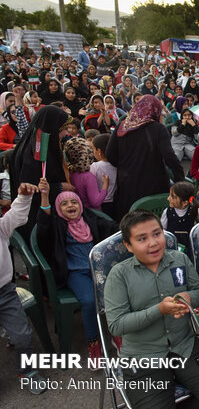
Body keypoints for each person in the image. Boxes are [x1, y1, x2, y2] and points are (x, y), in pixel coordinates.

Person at [104, 210, 199, 408]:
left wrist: (190, 298)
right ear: (128, 246)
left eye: (157, 233)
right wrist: (159, 310)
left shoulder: (179, 260)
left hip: (185, 345)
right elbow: (116, 325)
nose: (153, 243)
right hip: (143, 356)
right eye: (142, 238)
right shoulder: (119, 275)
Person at [37, 178, 117, 359]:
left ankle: (117, 334)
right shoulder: (58, 225)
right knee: (88, 301)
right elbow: (44, 224)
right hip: (75, 273)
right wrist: (45, 196)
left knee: (116, 294)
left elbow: (110, 227)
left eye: (74, 202)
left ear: (81, 205)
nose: (70, 206)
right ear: (58, 209)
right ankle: (93, 342)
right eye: (64, 204)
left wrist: (130, 227)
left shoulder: (89, 218)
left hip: (97, 270)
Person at [0, 182, 48, 394]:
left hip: (6, 292)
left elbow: (16, 216)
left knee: (23, 335)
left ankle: (27, 370)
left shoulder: (1, 226)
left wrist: (24, 197)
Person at [106, 95, 184, 218]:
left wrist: (126, 166)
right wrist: (180, 180)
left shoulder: (122, 126)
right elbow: (170, 157)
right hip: (154, 185)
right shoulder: (158, 129)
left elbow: (110, 155)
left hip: (127, 185)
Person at [9, 106, 74, 238]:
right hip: (35, 220)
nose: (66, 133)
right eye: (63, 129)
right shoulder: (32, 153)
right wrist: (59, 187)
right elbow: (30, 188)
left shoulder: (42, 146)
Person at [161, 181, 199, 259]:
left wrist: (198, 232)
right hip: (172, 247)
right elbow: (162, 230)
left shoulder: (193, 210)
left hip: (190, 247)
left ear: (185, 202)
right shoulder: (167, 212)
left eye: (172, 196)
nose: (168, 198)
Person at [64, 137, 109, 211]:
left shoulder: (68, 172)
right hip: (90, 213)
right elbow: (96, 202)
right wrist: (105, 187)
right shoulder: (88, 176)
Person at [90, 134, 117, 218]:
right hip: (116, 201)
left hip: (101, 203)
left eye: (93, 149)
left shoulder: (95, 166)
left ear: (99, 152)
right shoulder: (118, 164)